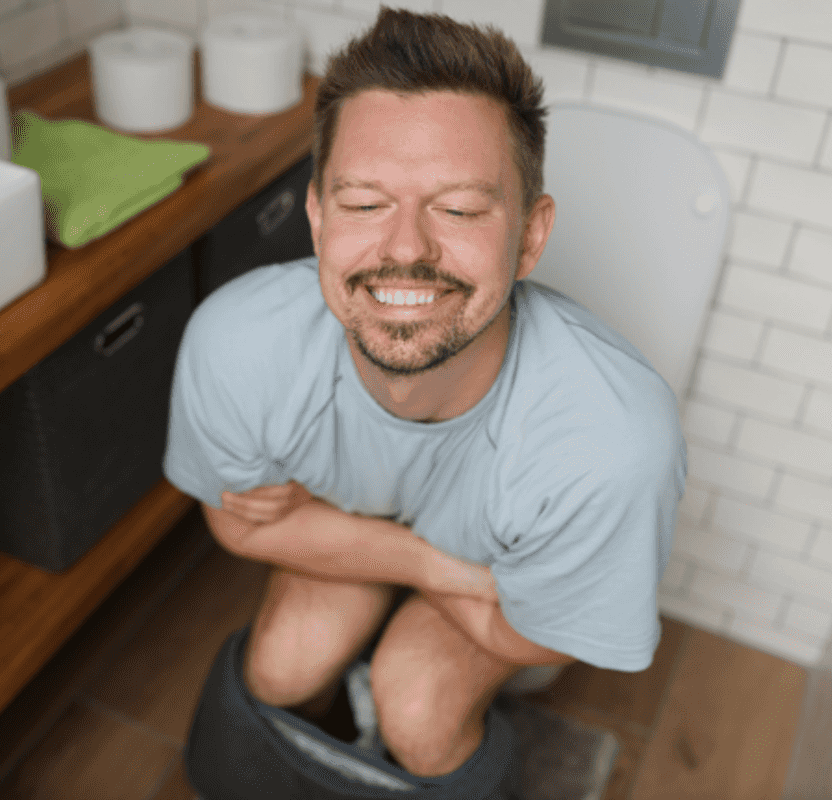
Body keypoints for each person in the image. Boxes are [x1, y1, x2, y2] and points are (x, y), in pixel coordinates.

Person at [164, 5, 687, 787]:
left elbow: (548, 634)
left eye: (461, 209)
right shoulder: (240, 345)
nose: (406, 248)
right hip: (465, 569)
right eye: (366, 203)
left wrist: (333, 532)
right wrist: (437, 569)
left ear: (531, 237)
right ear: (316, 216)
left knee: (417, 706)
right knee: (277, 669)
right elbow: (236, 527)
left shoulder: (611, 443)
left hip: (458, 561)